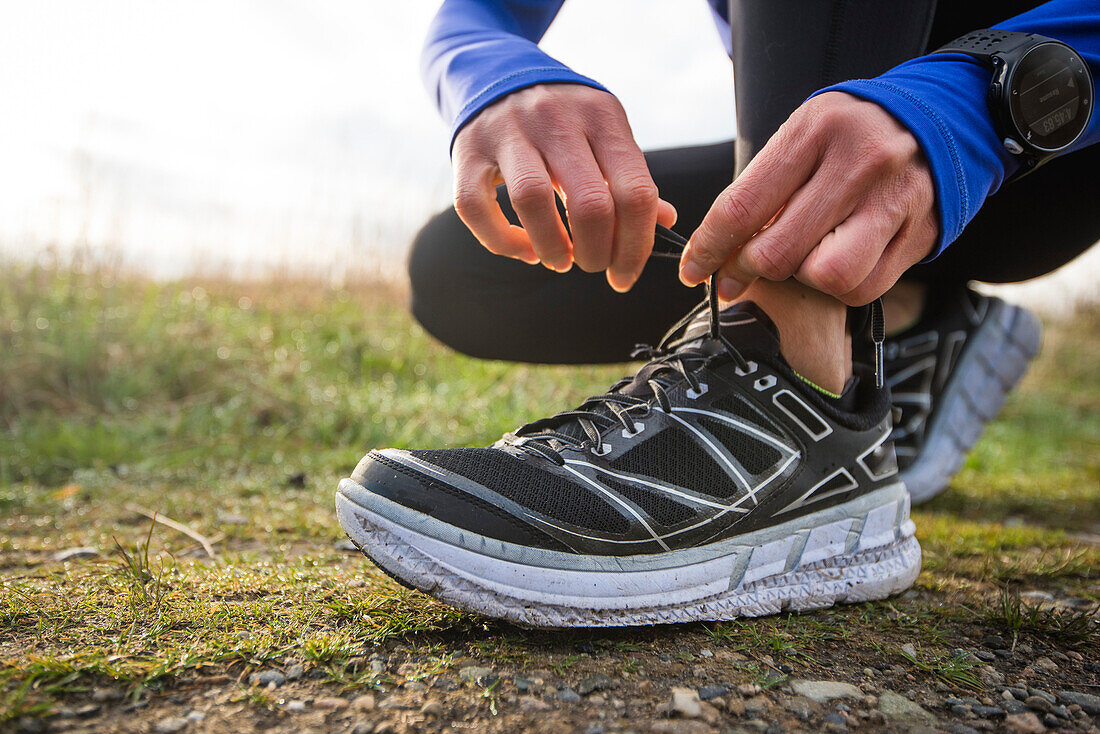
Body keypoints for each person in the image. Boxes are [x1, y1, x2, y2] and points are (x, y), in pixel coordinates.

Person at [333, 1, 1098, 627]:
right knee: (469, 268)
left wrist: (975, 100)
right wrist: (500, 75)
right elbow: (480, 11)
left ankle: (787, 370)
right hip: (829, 151)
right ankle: (903, 330)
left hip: (1046, 133)